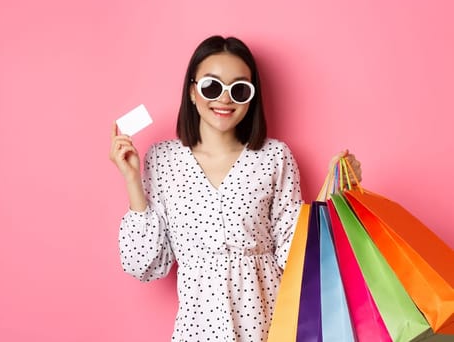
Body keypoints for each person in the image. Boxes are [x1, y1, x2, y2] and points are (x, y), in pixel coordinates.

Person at [108, 35, 362, 341]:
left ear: (251, 97)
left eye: (239, 89)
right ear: (192, 91)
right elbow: (144, 265)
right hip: (197, 330)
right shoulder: (163, 159)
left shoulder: (274, 157)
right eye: (212, 86)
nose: (225, 99)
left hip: (268, 327)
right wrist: (132, 180)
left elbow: (295, 254)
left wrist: (336, 192)